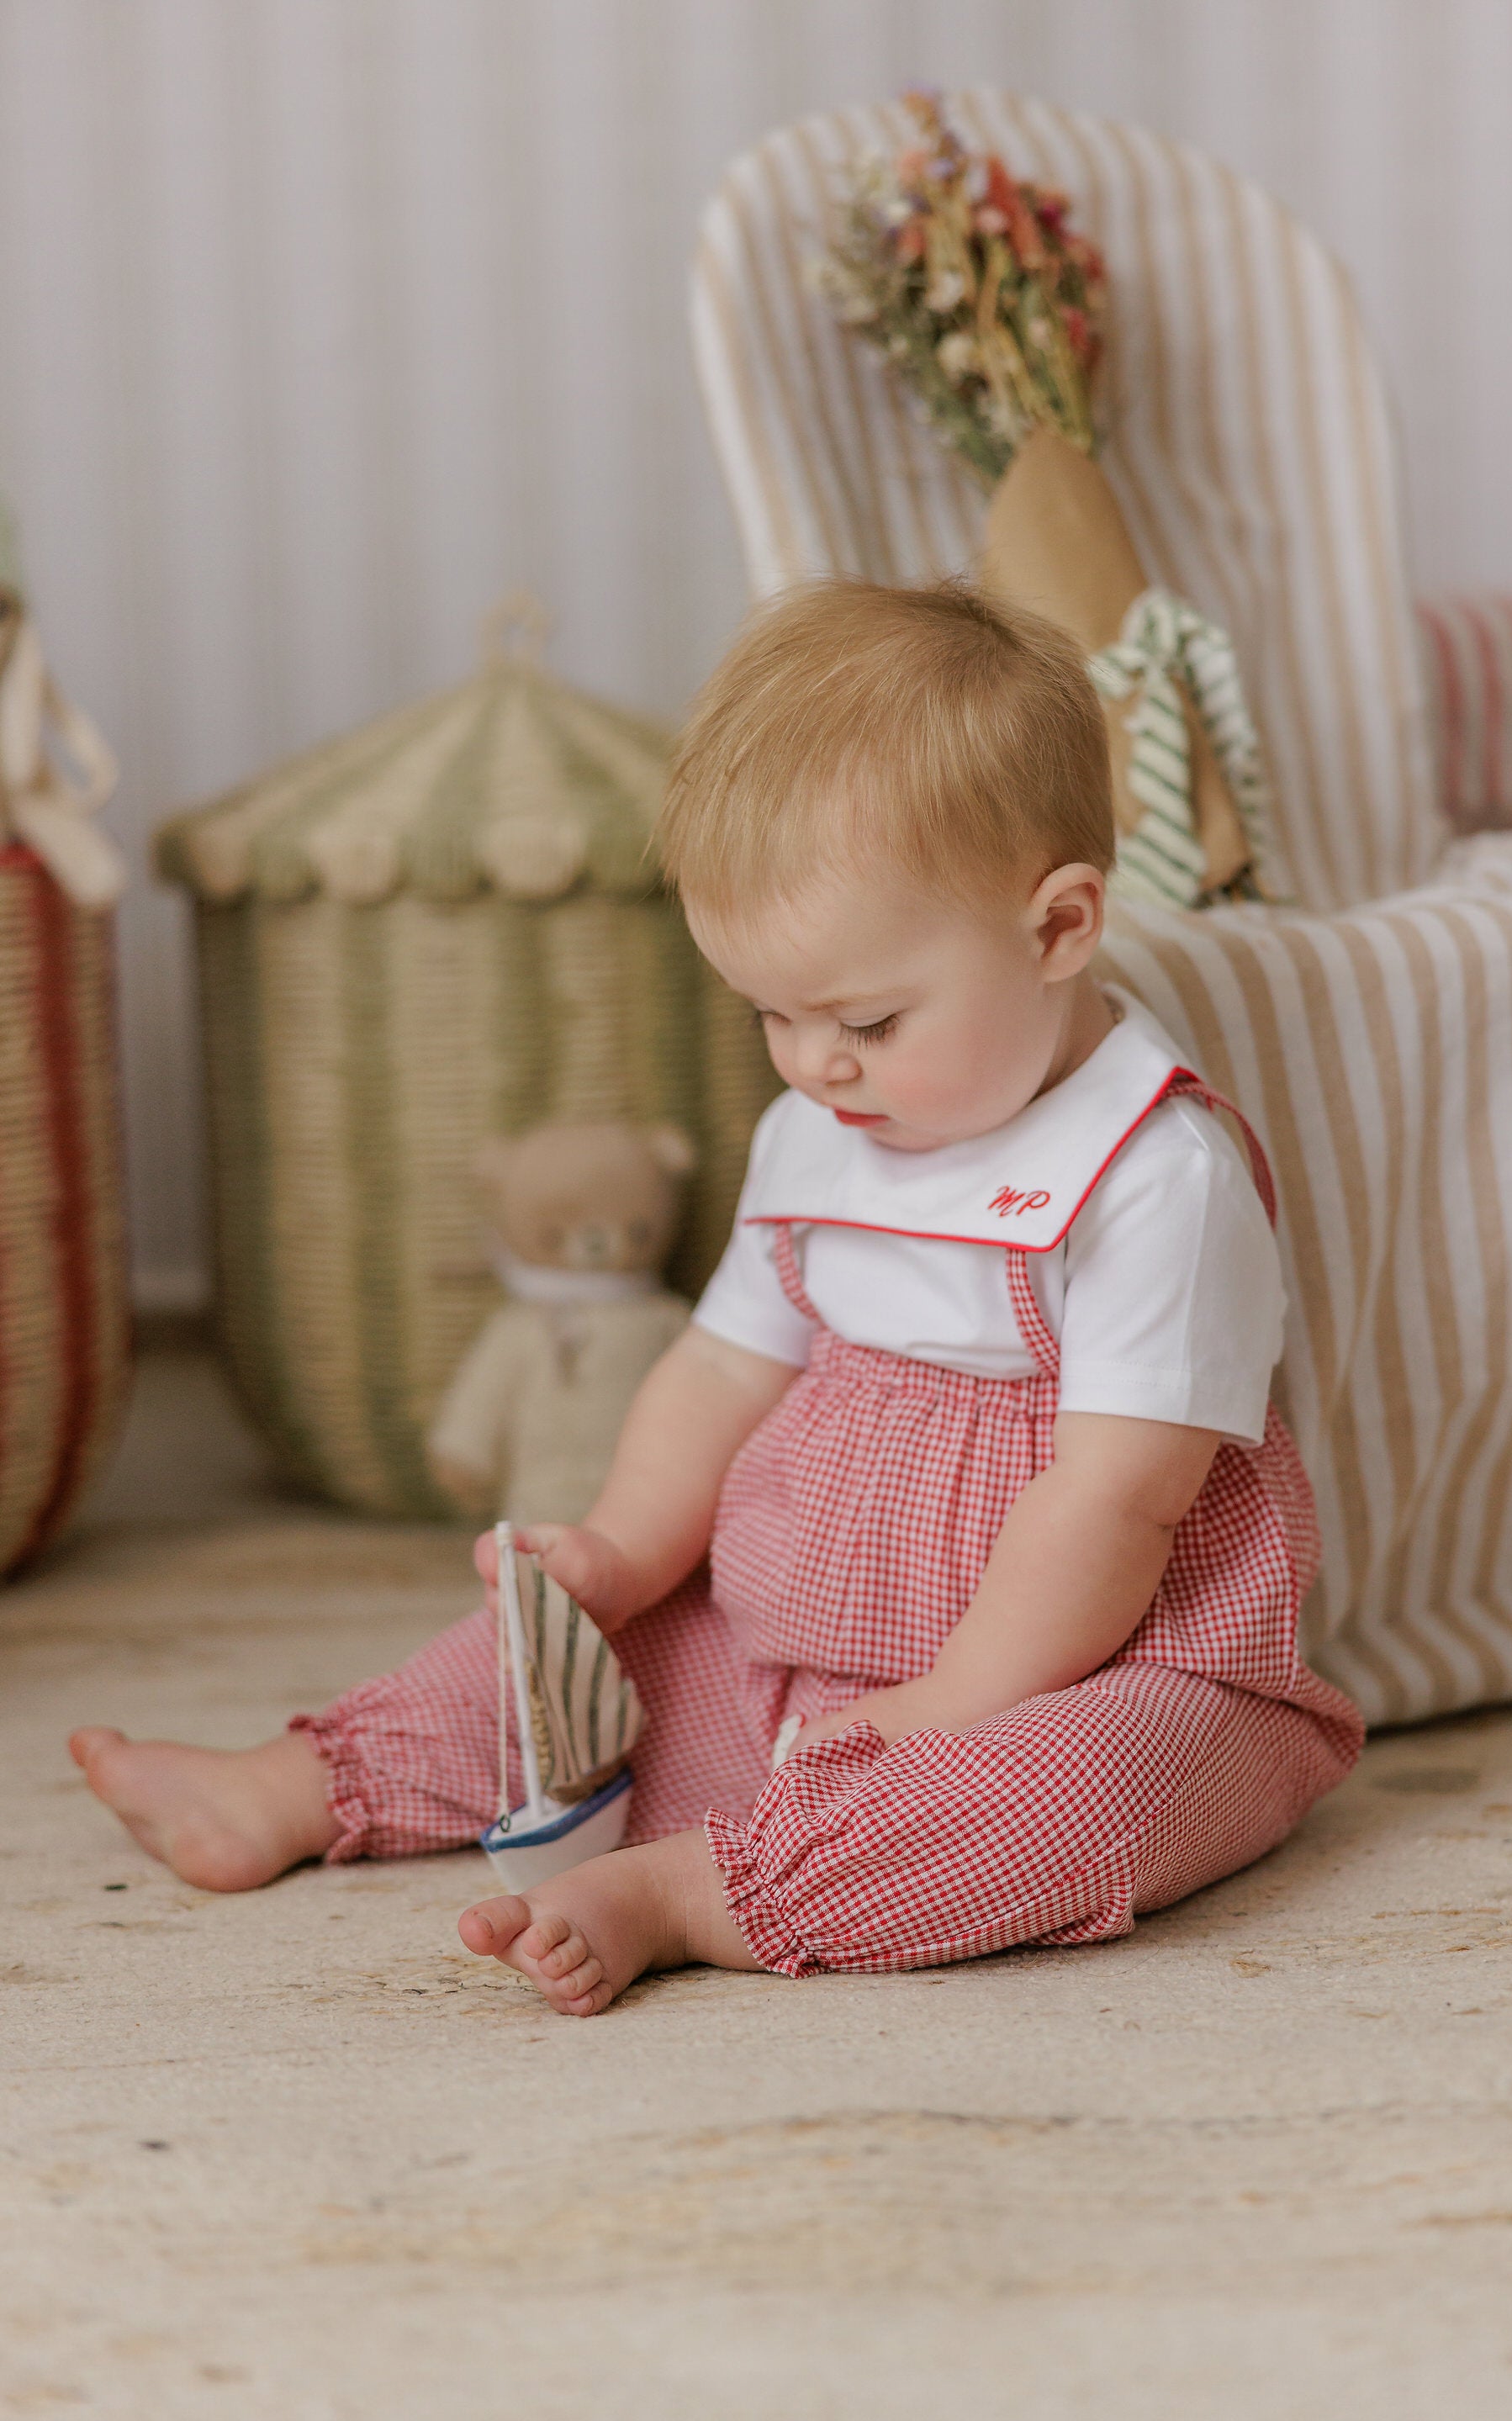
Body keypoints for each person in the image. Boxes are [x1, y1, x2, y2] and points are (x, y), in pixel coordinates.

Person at [70, 580, 1362, 2017]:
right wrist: (621, 1553)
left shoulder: (1151, 1174)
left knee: (1083, 1801)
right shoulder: (825, 1126)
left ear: (1059, 928)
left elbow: (1118, 1505)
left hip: (1089, 1669)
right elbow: (720, 1367)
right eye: (772, 1016)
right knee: (573, 1663)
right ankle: (298, 1786)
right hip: (789, 1641)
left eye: (867, 1021)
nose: (815, 1064)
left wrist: (946, 1713)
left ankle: (697, 1891)